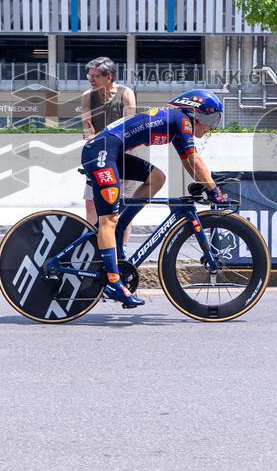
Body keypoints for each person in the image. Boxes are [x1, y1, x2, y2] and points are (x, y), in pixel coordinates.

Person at [80, 89, 228, 308]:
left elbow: (188, 162)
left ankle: (119, 224)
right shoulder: (182, 120)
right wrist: (214, 193)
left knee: (157, 178)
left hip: (110, 150)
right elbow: (194, 161)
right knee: (107, 219)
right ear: (194, 113)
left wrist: (209, 187)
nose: (210, 126)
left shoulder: (178, 126)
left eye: (215, 119)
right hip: (101, 152)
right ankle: (113, 283)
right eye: (209, 118)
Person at [80, 57, 137, 228]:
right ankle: (90, 244)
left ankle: (122, 249)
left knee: (124, 206)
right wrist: (88, 134)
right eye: (89, 75)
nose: (90, 79)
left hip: (123, 154)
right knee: (91, 203)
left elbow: (131, 126)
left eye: (95, 76)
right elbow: (87, 126)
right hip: (98, 156)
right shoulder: (87, 96)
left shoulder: (126, 94)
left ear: (109, 77)